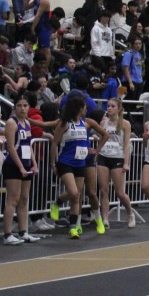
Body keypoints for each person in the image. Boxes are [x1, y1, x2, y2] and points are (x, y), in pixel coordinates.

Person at [51, 96, 108, 239]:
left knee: (77, 195)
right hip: (66, 162)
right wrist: (53, 163)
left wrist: (97, 150)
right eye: (84, 107)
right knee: (75, 193)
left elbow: (105, 134)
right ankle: (70, 222)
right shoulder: (64, 123)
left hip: (80, 162)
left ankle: (73, 226)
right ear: (78, 109)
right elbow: (54, 143)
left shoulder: (86, 122)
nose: (86, 109)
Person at [1, 94, 41, 245]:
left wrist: (34, 164)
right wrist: (20, 167)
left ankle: (23, 232)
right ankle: (7, 234)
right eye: (19, 106)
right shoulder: (12, 123)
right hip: (13, 165)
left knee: (24, 199)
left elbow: (29, 145)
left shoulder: (27, 123)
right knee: (13, 199)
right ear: (15, 107)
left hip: (26, 164)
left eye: (25, 106)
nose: (22, 109)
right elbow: (11, 147)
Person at [96, 97, 134, 229]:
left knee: (120, 192)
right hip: (103, 156)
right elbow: (101, 137)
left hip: (117, 158)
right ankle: (105, 219)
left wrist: (126, 162)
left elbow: (127, 144)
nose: (109, 108)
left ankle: (130, 213)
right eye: (108, 106)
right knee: (104, 190)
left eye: (113, 106)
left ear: (119, 109)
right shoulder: (103, 122)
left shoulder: (125, 124)